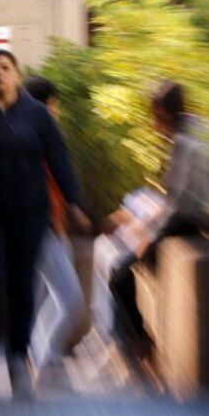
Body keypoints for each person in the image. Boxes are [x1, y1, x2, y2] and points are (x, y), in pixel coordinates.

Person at [0, 51, 87, 400]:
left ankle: (17, 359)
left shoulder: (37, 115)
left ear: (17, 75)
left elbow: (59, 159)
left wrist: (75, 202)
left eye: (5, 68)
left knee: (21, 285)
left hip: (29, 212)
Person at [98, 82, 209, 360]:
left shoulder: (185, 142)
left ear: (165, 113)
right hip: (185, 220)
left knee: (118, 275)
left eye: (156, 114)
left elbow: (181, 205)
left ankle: (137, 345)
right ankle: (133, 344)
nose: (154, 123)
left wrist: (149, 238)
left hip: (186, 223)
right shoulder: (195, 130)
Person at [23, 76, 89, 391]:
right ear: (46, 105)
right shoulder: (36, 137)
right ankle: (45, 360)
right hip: (42, 228)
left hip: (47, 227)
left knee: (42, 299)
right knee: (71, 300)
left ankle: (39, 357)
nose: (57, 111)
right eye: (55, 105)